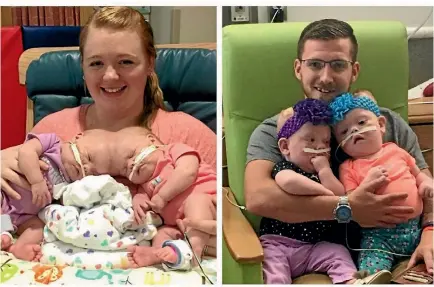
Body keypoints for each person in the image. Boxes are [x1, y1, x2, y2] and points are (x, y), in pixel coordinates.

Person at [1, 6, 216, 262]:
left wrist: (211, 231)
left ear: (150, 63)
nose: (110, 75)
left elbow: (226, 206)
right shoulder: (53, 129)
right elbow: (20, 208)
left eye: (126, 61)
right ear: (82, 67)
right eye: (96, 63)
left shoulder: (187, 133)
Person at [244, 18, 433, 280]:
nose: (325, 76)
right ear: (298, 68)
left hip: (403, 250)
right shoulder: (279, 131)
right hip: (312, 253)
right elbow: (258, 198)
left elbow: (427, 186)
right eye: (315, 64)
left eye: (338, 65)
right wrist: (347, 208)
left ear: (354, 71)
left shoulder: (387, 123)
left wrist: (430, 234)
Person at [260, 98, 391, 284]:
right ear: (285, 147)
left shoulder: (323, 174)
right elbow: (289, 183)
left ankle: (351, 281)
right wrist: (323, 191)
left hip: (313, 247)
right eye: (311, 140)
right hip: (278, 244)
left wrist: (324, 170)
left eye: (326, 142)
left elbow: (340, 193)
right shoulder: (286, 168)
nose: (320, 147)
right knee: (274, 267)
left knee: (338, 253)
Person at [66, 126, 216, 269]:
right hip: (181, 225)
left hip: (211, 203)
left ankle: (194, 251)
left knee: (196, 201)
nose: (131, 164)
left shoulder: (173, 150)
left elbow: (187, 171)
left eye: (132, 155)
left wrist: (163, 197)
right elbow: (139, 199)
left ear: (152, 141)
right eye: (125, 168)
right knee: (163, 233)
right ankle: (159, 254)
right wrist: (138, 204)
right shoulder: (143, 185)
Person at [328, 92, 433, 274]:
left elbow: (419, 174)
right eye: (344, 131)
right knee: (372, 264)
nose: (353, 130)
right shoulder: (348, 167)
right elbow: (353, 199)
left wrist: (425, 184)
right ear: (341, 145)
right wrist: (368, 183)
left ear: (381, 125)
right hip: (378, 236)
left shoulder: (396, 151)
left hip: (415, 229)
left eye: (361, 123)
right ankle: (371, 276)